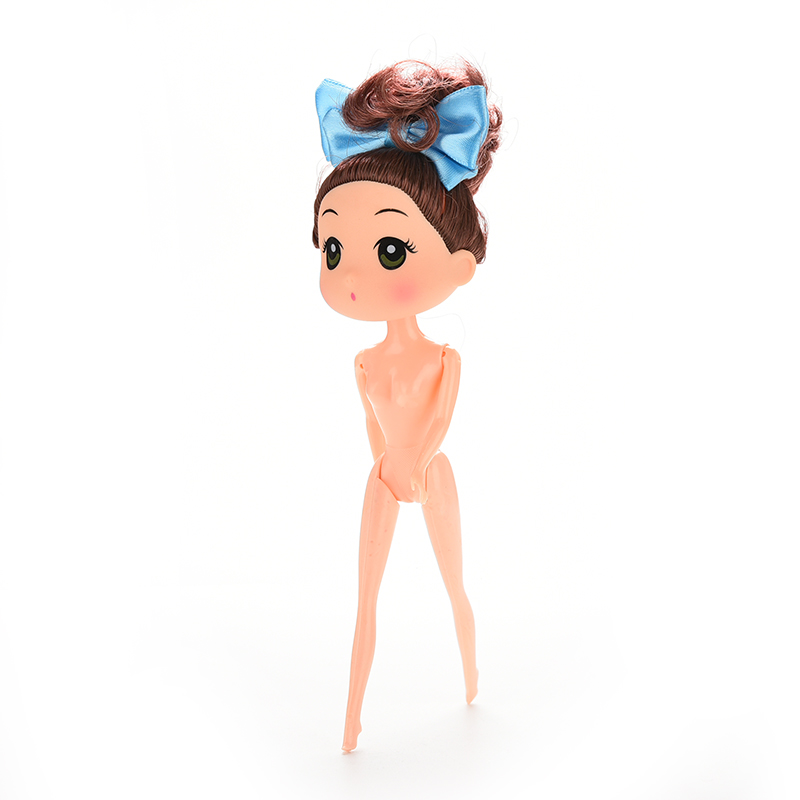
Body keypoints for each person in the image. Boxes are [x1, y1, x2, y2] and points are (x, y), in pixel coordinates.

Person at [313, 59, 502, 752]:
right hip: (384, 478)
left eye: (389, 249)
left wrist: (416, 465)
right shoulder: (363, 362)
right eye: (334, 246)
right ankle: (352, 716)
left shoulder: (443, 360)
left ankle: (471, 671)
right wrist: (391, 468)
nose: (352, 273)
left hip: (431, 473)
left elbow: (439, 420)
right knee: (365, 599)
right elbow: (373, 426)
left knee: (454, 582)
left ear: (459, 266)